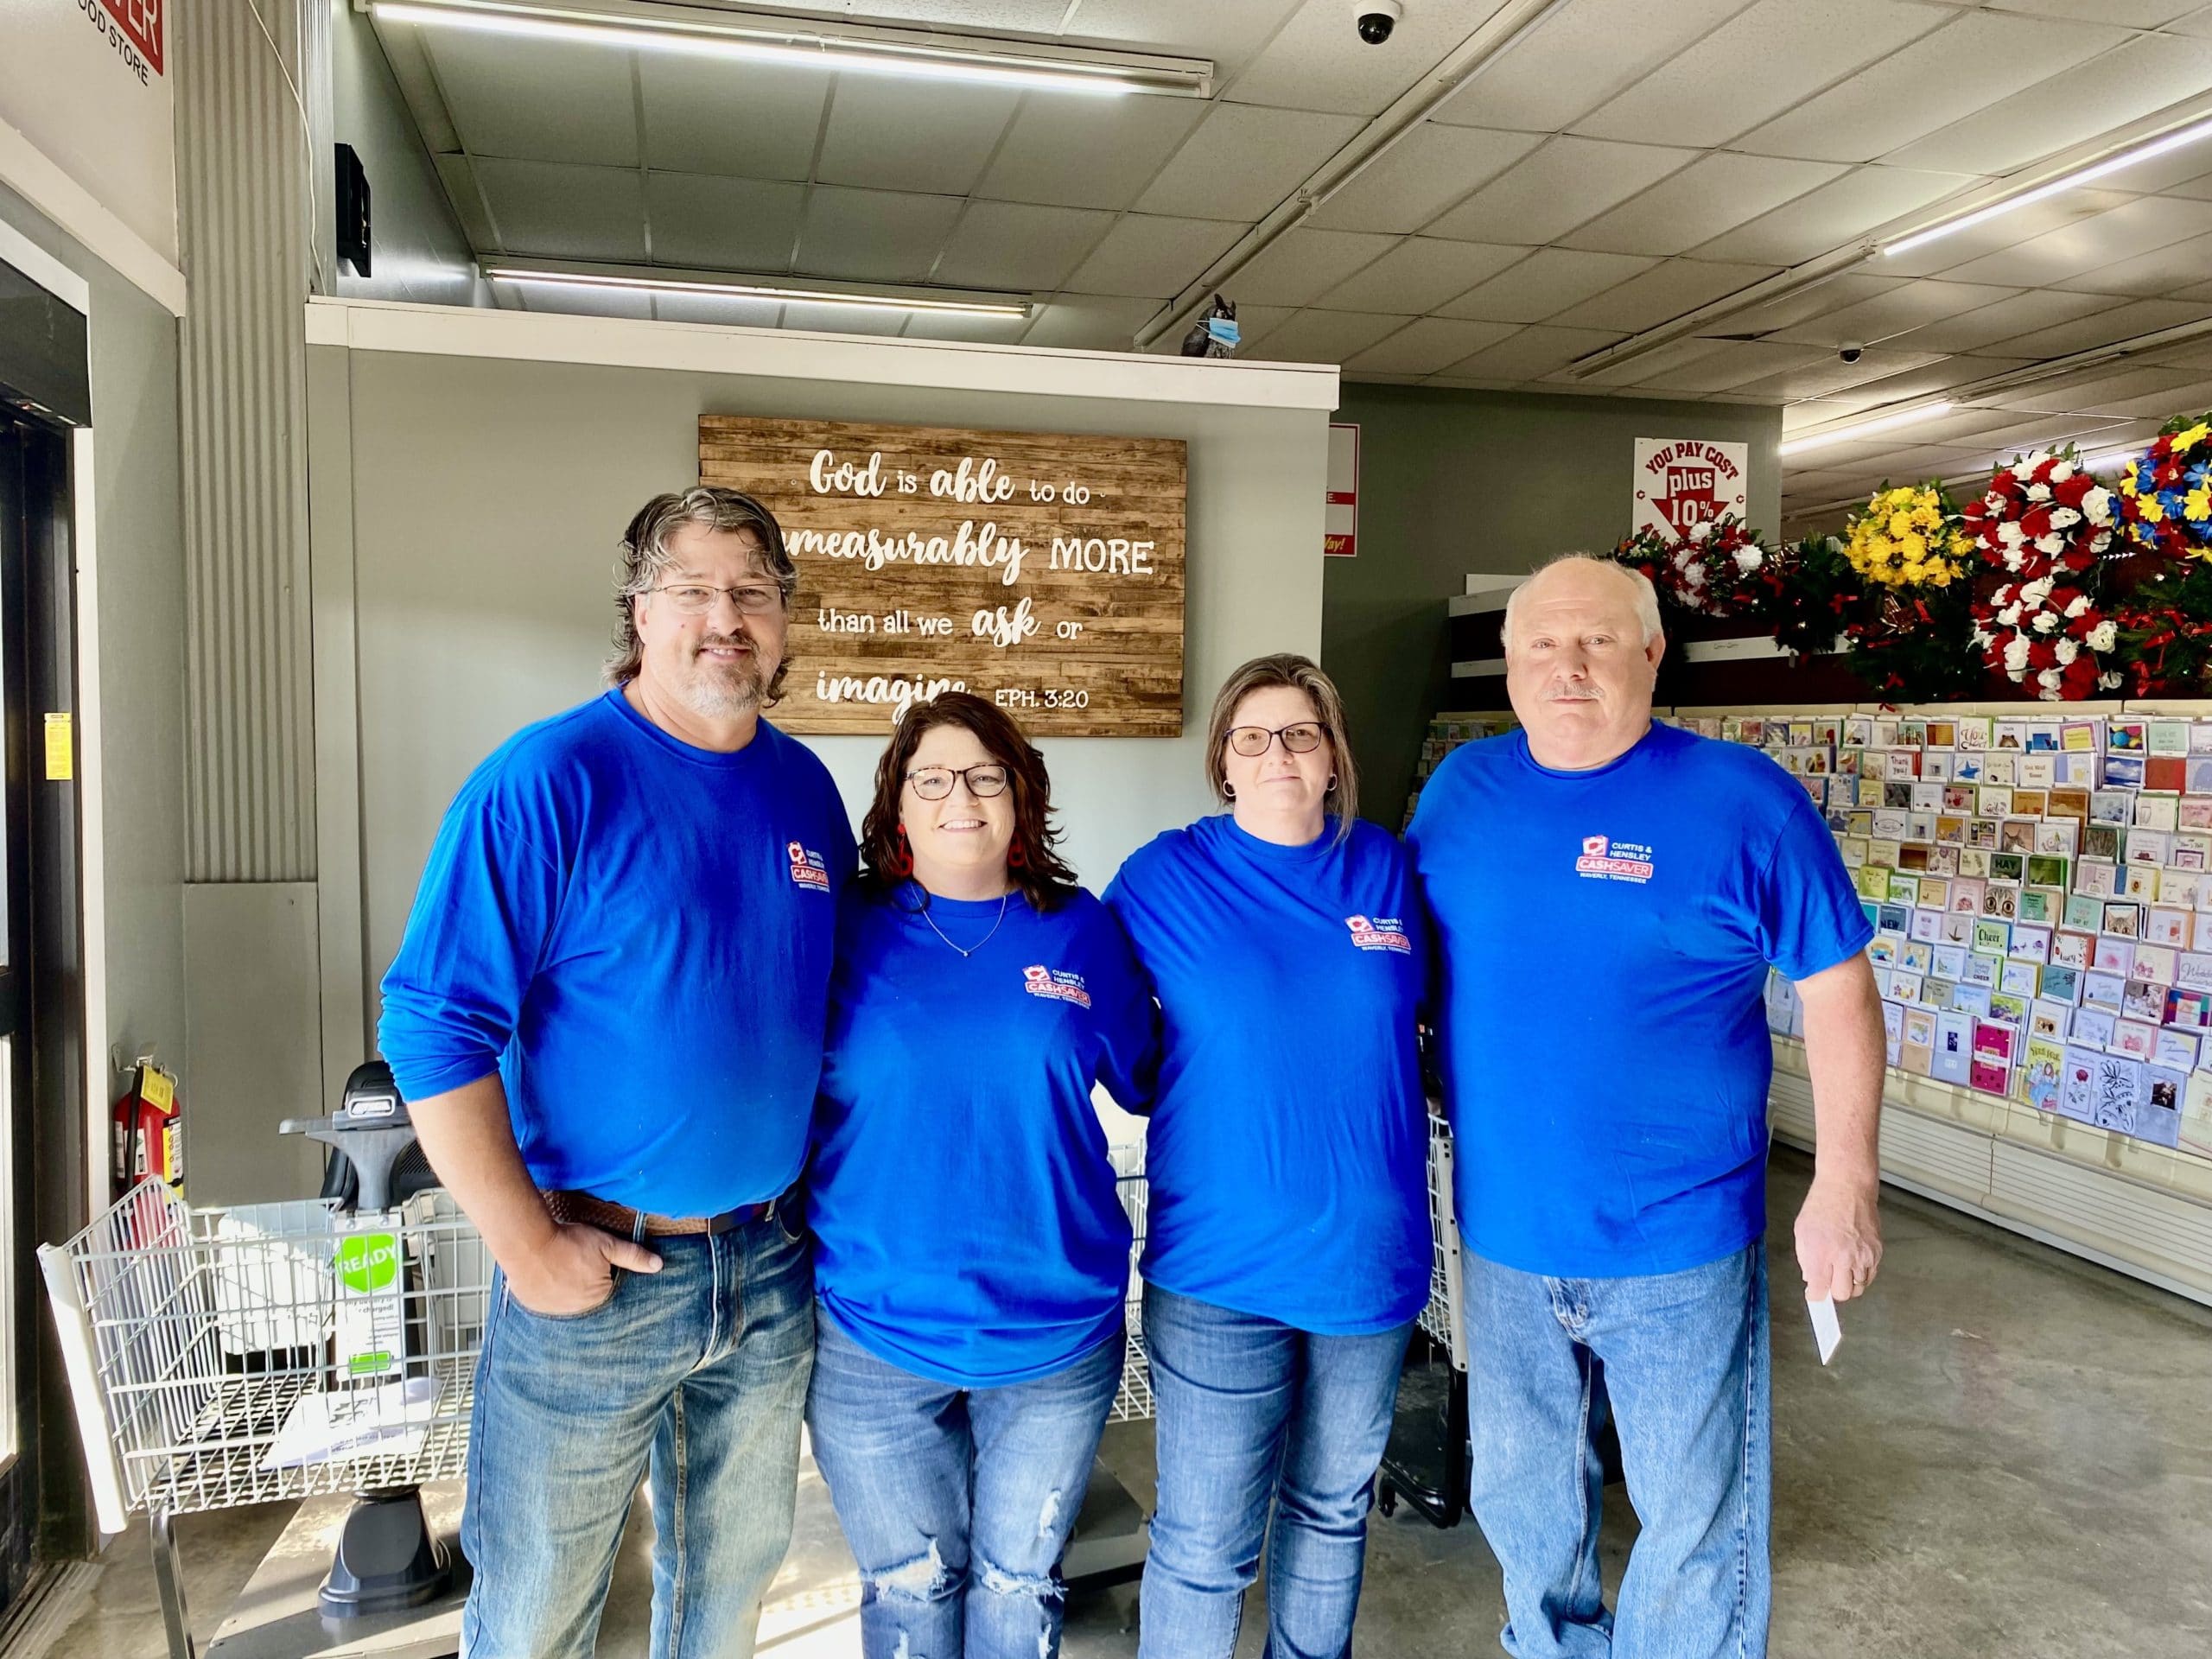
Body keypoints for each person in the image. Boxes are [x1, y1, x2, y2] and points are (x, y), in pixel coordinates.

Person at [378, 487, 854, 1659]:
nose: (724, 619)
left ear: (785, 620)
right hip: (597, 1276)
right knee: (540, 1608)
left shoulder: (807, 792)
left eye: (751, 593)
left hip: (770, 1269)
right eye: (692, 591)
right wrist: (527, 1249)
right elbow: (432, 1027)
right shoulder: (549, 781)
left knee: (728, 1595)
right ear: (640, 612)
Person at [1407, 553, 1885, 1659]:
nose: (1568, 667)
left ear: (1652, 654)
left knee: (1692, 1514)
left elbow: (1838, 987)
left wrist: (1845, 1182)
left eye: (1599, 642)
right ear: (1509, 664)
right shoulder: (1461, 793)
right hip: (1507, 1231)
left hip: (1679, 1237)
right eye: (1542, 645)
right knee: (1525, 1501)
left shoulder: (1743, 803)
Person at [805, 692, 1156, 1659]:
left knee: (1016, 1588)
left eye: (984, 775)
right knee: (910, 1594)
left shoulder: (1080, 930)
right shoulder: (842, 928)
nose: (959, 796)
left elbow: (1149, 1078)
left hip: (1053, 1330)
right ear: (897, 807)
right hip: (873, 1330)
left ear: (1020, 795)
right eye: (931, 779)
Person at [1105, 653, 1430, 1659]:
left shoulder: (1391, 870)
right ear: (1224, 763)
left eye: (1300, 733)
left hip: (1369, 1265)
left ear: (1333, 757)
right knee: (1205, 1543)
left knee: (1331, 1512)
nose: (1277, 753)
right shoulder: (1162, 877)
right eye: (1252, 737)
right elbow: (1106, 1037)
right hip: (1220, 1269)